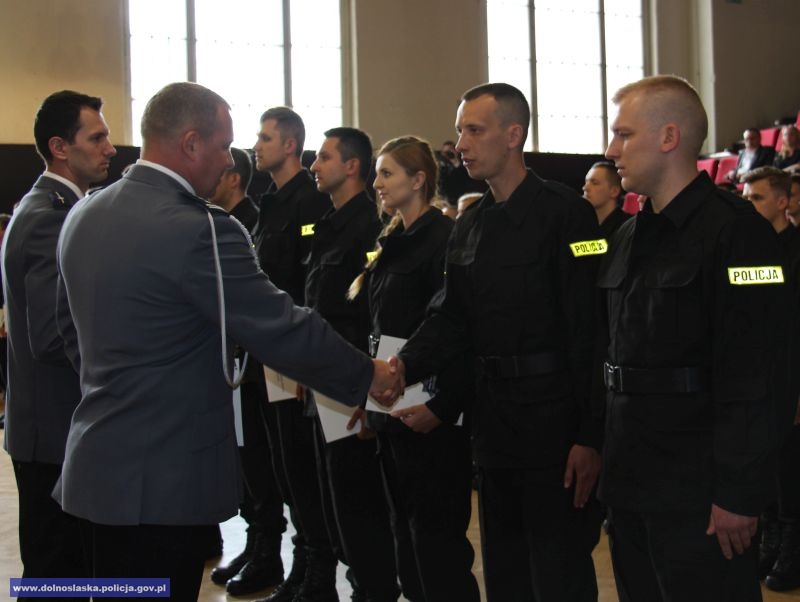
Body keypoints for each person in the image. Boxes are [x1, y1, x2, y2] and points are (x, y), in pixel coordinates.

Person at [54, 82, 396, 601]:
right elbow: (280, 327)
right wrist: (369, 375)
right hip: (165, 481)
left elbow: (68, 329)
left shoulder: (84, 213)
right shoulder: (202, 230)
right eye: (223, 145)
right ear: (190, 143)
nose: (231, 160)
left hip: (95, 468)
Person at [385, 83, 606, 602]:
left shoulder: (567, 214)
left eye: (474, 130)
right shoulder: (469, 225)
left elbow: (590, 329)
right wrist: (401, 365)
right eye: (460, 130)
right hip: (494, 424)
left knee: (558, 574)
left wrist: (590, 435)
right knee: (506, 573)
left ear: (513, 135)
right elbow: (450, 317)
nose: (461, 143)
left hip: (554, 426)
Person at [599, 75, 793, 602]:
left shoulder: (738, 232)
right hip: (631, 478)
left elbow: (759, 371)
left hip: (700, 490)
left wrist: (739, 492)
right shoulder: (628, 235)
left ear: (669, 137)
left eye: (623, 134)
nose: (611, 150)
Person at [3, 90, 115, 598]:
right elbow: (52, 336)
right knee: (57, 577)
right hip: (54, 429)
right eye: (97, 137)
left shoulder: (52, 207)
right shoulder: (52, 216)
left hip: (51, 426)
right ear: (60, 147)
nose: (110, 148)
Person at [356, 136, 479, 602]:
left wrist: (442, 406)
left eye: (387, 173)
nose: (377, 183)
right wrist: (369, 401)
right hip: (390, 400)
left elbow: (457, 331)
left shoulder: (444, 239)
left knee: (437, 544)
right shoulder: (392, 240)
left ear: (418, 179)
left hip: (427, 408)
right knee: (404, 534)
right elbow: (379, 327)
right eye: (377, 174)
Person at [307, 127, 400, 602]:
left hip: (352, 381)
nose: (314, 165)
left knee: (359, 501)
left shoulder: (369, 227)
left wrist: (368, 391)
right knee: (335, 497)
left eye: (324, 157)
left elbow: (372, 318)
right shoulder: (327, 223)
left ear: (351, 166)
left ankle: (373, 590)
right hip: (324, 378)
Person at [249, 106, 336, 602]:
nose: (256, 146)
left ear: (289, 145)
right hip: (267, 354)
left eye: (265, 138)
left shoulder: (310, 201)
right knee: (280, 464)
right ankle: (296, 563)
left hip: (292, 357)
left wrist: (304, 358)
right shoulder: (270, 203)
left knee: (301, 466)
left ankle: (317, 569)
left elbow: (308, 286)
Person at [207, 145, 287, 596]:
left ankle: (268, 551)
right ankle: (256, 542)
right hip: (237, 359)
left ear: (233, 178)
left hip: (260, 363)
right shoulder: (220, 221)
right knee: (248, 459)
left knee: (262, 458)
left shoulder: (250, 221)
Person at [741, 166, 800, 591]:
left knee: (790, 469)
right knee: (765, 466)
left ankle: (792, 549)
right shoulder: (747, 251)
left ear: (783, 202)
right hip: (757, 377)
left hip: (791, 376)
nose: (748, 205)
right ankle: (771, 540)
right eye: (745, 198)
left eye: (757, 198)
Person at [582, 161, 629, 238]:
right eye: (586, 182)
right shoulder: (580, 224)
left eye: (595, 183)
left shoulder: (628, 228)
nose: (585, 188)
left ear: (614, 191)